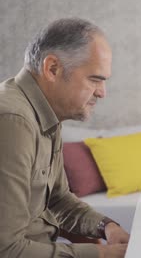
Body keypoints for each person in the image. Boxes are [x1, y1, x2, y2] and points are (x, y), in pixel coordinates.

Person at [0, 18, 129, 258]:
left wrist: (107, 227)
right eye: (95, 79)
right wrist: (101, 255)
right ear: (52, 69)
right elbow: (7, 249)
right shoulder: (12, 121)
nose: (102, 92)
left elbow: (59, 200)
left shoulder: (48, 112)